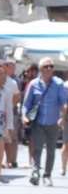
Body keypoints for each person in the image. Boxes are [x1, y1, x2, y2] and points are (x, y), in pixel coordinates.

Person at [23, 57, 68, 186]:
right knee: (37, 148)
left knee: (51, 150)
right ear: (41, 69)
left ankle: (47, 175)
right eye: (47, 66)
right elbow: (26, 103)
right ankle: (35, 172)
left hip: (53, 122)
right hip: (38, 122)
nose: (49, 68)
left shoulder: (58, 84)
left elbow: (64, 102)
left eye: (51, 66)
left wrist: (62, 117)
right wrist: (24, 116)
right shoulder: (33, 84)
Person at [2, 61, 23, 168]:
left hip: (12, 114)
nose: (13, 70)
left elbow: (17, 96)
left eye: (14, 68)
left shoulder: (15, 81)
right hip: (0, 113)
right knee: (0, 138)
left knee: (11, 138)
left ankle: (10, 160)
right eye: (11, 67)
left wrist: (9, 108)